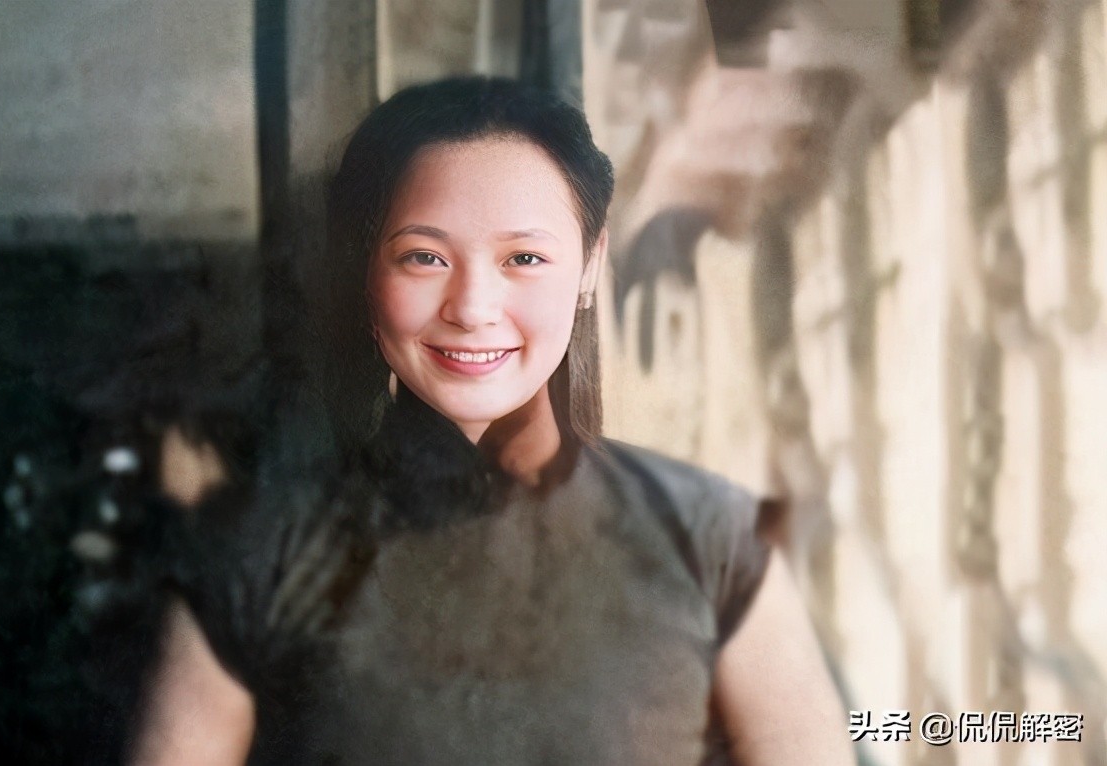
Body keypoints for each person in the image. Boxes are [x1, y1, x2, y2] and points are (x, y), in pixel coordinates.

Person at [133, 77, 855, 765]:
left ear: (589, 266)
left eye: (524, 257)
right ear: (365, 272)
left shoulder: (711, 540)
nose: (473, 307)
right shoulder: (257, 555)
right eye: (424, 257)